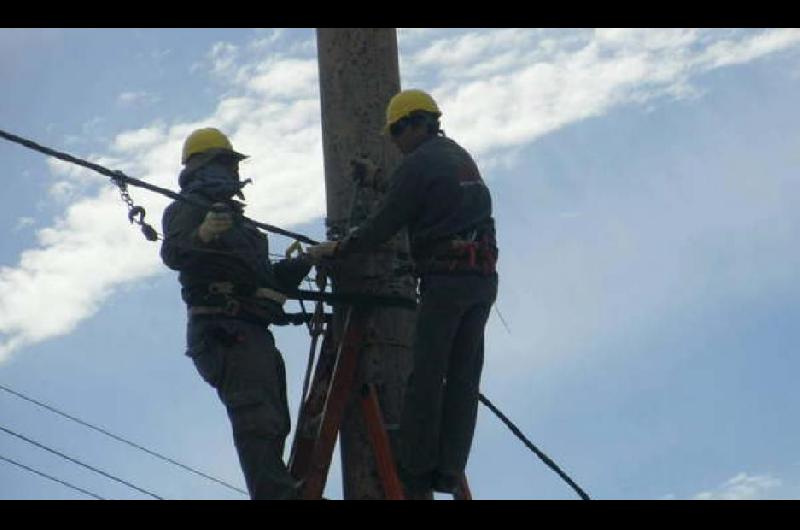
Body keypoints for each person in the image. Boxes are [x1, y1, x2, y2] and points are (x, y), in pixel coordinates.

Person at [307, 89, 499, 497]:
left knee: (427, 376)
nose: (394, 141)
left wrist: (339, 248)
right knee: (463, 379)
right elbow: (420, 195)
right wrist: (380, 180)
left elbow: (384, 224)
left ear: (413, 124)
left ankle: (414, 465)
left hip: (445, 284)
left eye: (395, 132)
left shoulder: (418, 164)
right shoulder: (458, 157)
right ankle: (448, 470)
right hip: (481, 282)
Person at [160, 127, 311, 500]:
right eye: (224, 163)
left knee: (275, 419)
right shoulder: (187, 209)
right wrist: (204, 234)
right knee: (257, 417)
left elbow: (266, 280)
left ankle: (281, 488)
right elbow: (174, 252)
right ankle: (275, 495)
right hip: (222, 328)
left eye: (231, 165)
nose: (230, 172)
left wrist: (308, 260)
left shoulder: (243, 227)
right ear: (200, 167)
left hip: (250, 329)